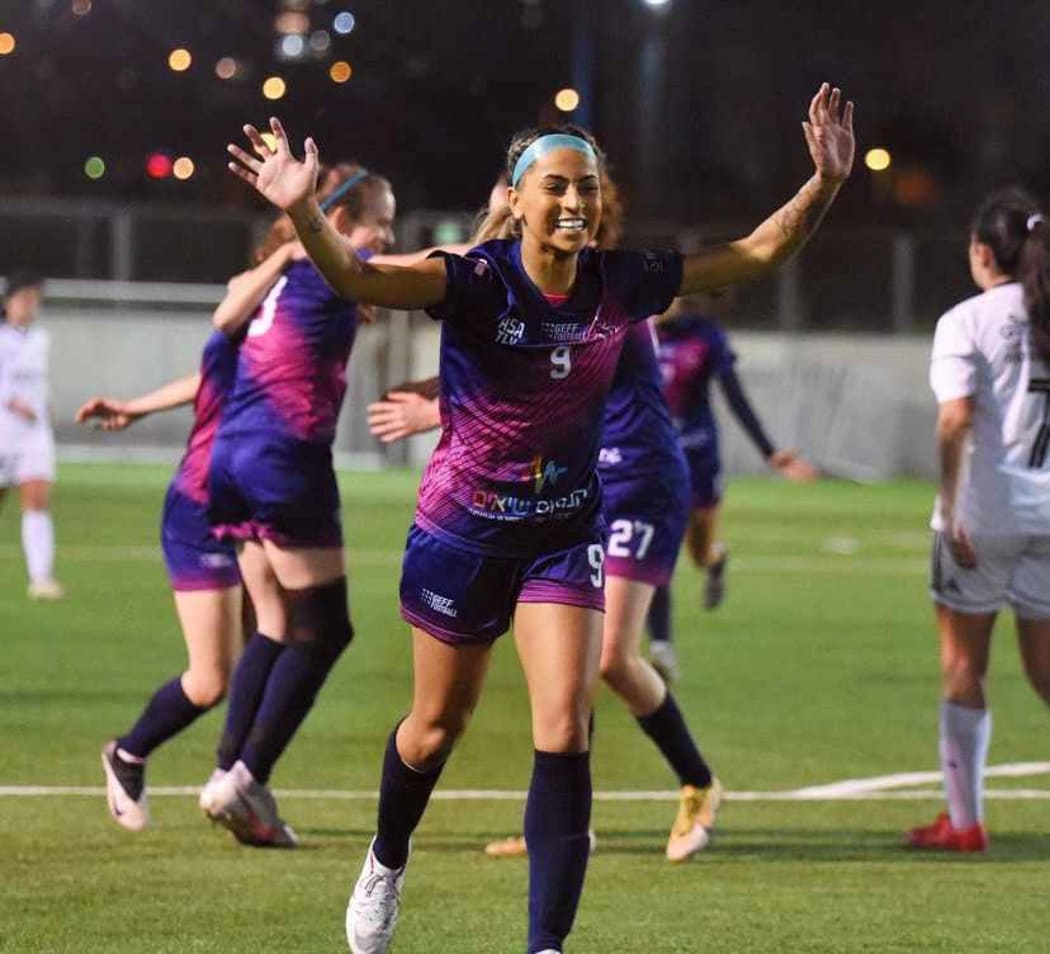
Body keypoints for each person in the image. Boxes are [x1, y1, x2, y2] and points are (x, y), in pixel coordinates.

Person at [226, 82, 853, 953]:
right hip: (461, 534)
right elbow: (359, 277)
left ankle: (546, 946)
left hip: (563, 535)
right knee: (434, 730)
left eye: (586, 187)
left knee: (565, 728)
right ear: (515, 200)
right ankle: (387, 857)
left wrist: (824, 182)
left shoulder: (620, 283)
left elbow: (755, 253)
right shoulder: (473, 281)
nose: (573, 202)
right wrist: (304, 213)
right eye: (554, 186)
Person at [370, 171, 722, 865]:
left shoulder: (603, 286)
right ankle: (563, 824)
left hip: (639, 476)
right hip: (580, 483)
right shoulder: (532, 283)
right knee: (569, 674)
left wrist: (435, 405)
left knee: (610, 656)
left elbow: (541, 381)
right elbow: (512, 356)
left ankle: (699, 783)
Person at [199, 162, 396, 849]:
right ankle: (247, 777)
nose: (387, 238)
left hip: (232, 456)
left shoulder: (276, 276)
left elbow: (222, 320)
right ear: (339, 222)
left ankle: (227, 773)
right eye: (380, 224)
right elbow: (432, 265)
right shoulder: (331, 269)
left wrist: (284, 253)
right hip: (285, 458)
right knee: (327, 629)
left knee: (276, 622)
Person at [908, 188, 1050, 853]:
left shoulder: (967, 320)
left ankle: (964, 823)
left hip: (982, 516)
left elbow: (955, 420)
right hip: (1048, 517)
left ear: (983, 252)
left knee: (964, 665)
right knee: (1045, 672)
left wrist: (949, 503)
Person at [647, 291, 817, 680]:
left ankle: (716, 559)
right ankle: (662, 647)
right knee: (657, 548)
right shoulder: (634, 334)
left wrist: (770, 451)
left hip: (698, 457)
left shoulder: (705, 336)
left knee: (699, 552)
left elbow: (734, 395)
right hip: (653, 459)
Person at [0, 271, 63, 600]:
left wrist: (45, 406)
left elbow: (39, 382)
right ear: (8, 302)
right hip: (3, 429)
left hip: (34, 433)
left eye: (33, 299)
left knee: (37, 499)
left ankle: (41, 577)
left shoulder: (40, 339)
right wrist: (11, 401)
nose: (28, 305)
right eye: (22, 298)